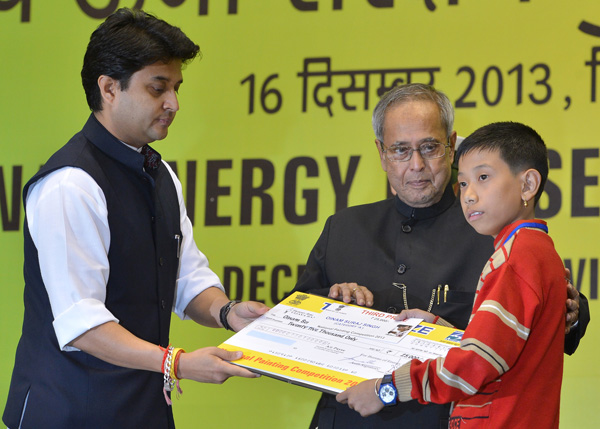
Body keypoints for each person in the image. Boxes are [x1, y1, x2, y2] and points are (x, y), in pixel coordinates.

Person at [2, 8, 269, 429]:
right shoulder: (70, 184)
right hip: (69, 411)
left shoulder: (160, 175)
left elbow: (186, 279)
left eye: (177, 88)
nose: (174, 104)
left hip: (142, 408)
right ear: (108, 88)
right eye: (158, 88)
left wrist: (227, 311)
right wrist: (176, 363)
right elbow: (82, 325)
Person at [291, 83, 589, 428]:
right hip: (347, 417)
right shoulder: (343, 228)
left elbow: (543, 323)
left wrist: (569, 313)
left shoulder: (494, 230)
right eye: (400, 150)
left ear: (450, 145)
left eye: (429, 147)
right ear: (381, 152)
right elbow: (291, 317)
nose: (416, 164)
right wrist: (328, 306)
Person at [338, 121, 566, 428]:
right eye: (463, 184)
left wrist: (387, 389)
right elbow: (497, 348)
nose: (469, 195)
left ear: (528, 185)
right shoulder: (530, 249)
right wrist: (438, 328)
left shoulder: (516, 257)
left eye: (483, 178)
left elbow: (476, 365)